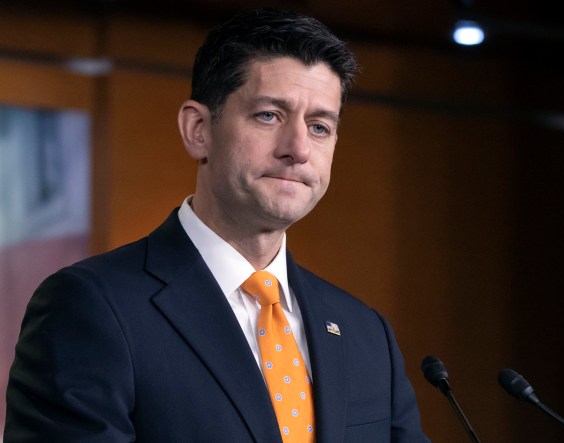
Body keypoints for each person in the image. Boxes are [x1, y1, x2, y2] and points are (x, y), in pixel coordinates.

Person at [4, 9, 430, 443]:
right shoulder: (89, 307)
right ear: (198, 129)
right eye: (269, 115)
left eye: (320, 127)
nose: (298, 149)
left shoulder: (365, 333)